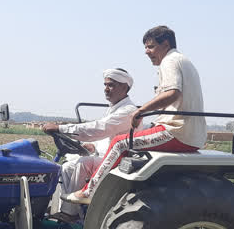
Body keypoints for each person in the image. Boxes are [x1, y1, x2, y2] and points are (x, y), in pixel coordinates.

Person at [65, 25, 205, 205]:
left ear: (166, 44)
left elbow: (173, 93)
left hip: (177, 131)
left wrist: (141, 110)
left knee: (120, 142)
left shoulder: (169, 61)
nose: (147, 52)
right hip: (188, 131)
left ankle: (89, 192)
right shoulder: (184, 61)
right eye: (146, 47)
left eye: (151, 46)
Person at [43, 68, 137, 222]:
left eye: (111, 85)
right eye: (105, 85)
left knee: (84, 163)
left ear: (124, 87)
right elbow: (105, 137)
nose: (106, 89)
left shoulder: (128, 111)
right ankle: (61, 211)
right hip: (106, 157)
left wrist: (61, 128)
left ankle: (70, 215)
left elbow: (99, 128)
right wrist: (92, 146)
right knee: (67, 167)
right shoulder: (113, 109)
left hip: (120, 161)